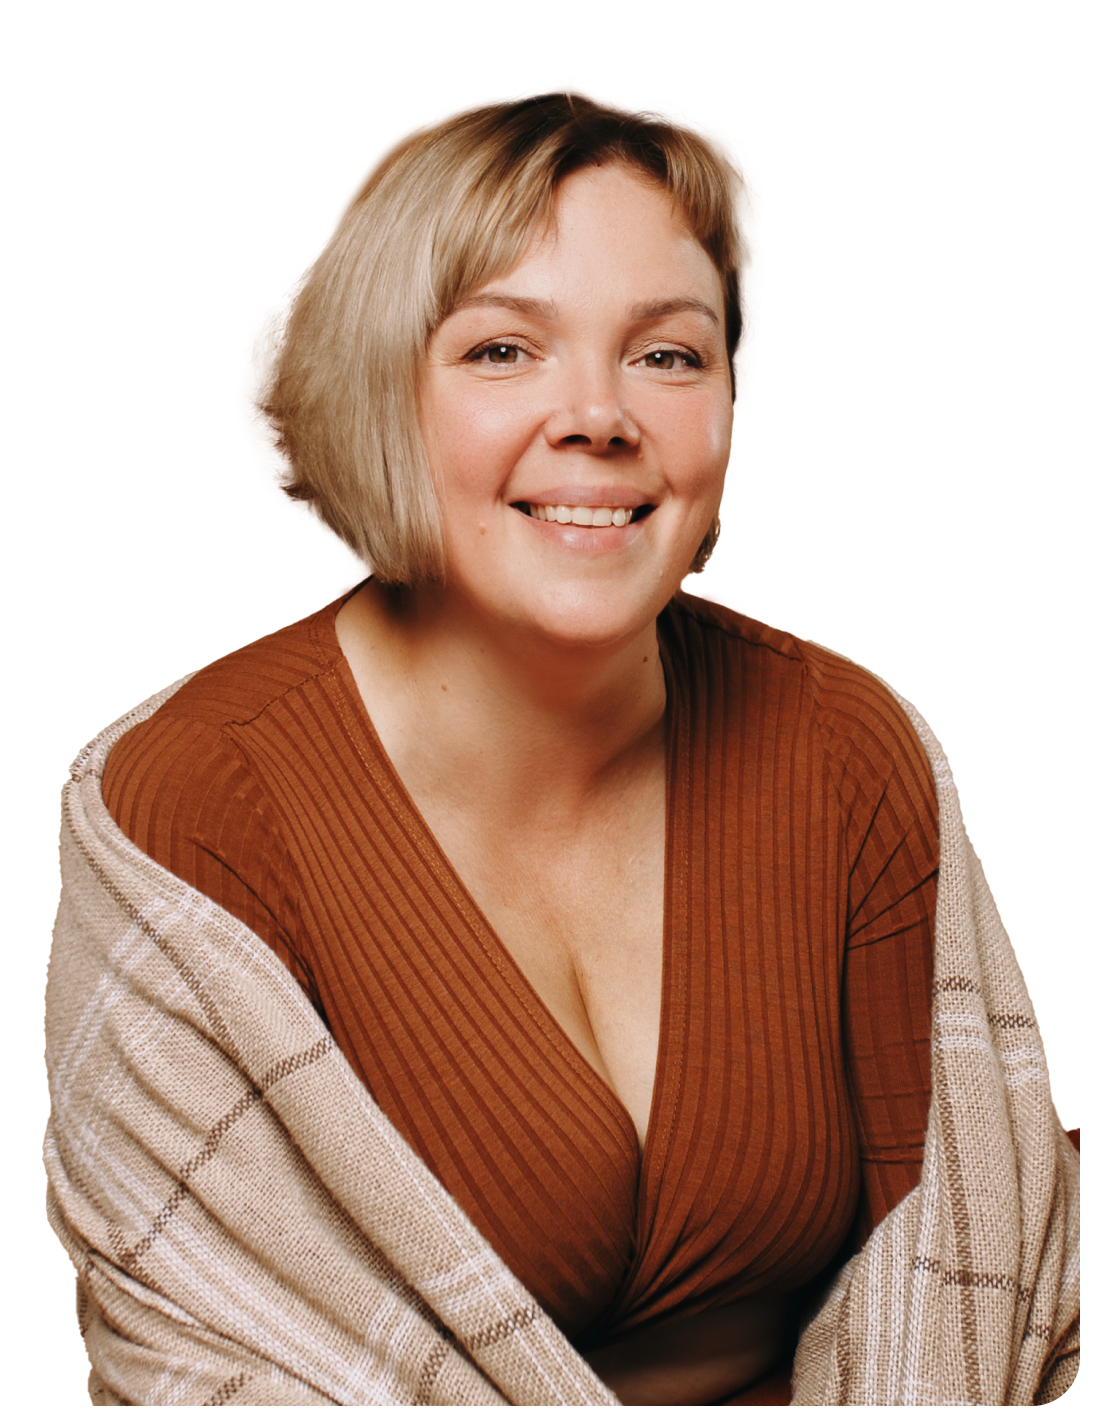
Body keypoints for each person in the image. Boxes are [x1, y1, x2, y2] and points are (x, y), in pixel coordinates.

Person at [43, 83, 1079, 1408]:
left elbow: (980, 1254)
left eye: (669, 355)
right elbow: (209, 1361)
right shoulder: (187, 804)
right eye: (502, 349)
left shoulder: (845, 745)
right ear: (380, 388)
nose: (600, 415)